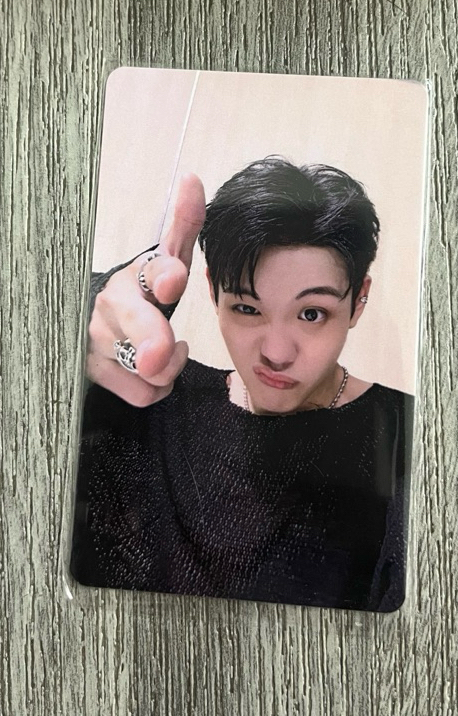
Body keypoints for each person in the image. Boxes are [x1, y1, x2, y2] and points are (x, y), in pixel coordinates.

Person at [70, 158, 412, 612]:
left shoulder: (408, 438)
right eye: (248, 308)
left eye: (312, 314)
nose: (277, 353)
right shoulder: (149, 399)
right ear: (214, 290)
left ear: (359, 300)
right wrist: (77, 327)